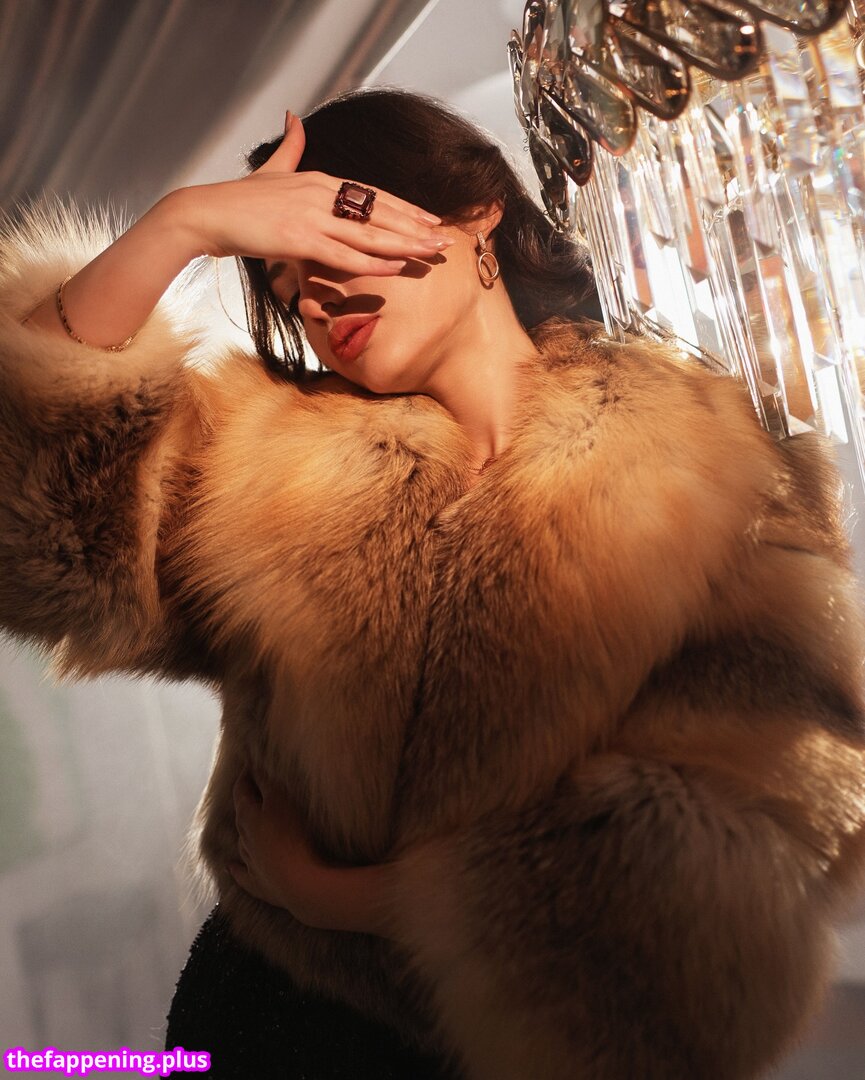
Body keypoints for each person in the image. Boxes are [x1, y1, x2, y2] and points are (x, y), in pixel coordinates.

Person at [2, 86, 865, 1080]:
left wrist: (352, 899)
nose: (312, 297)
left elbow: (765, 849)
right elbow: (40, 522)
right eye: (283, 278)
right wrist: (183, 225)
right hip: (259, 1012)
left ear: (475, 213)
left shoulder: (718, 466)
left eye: (336, 238)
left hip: (513, 1040)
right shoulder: (261, 455)